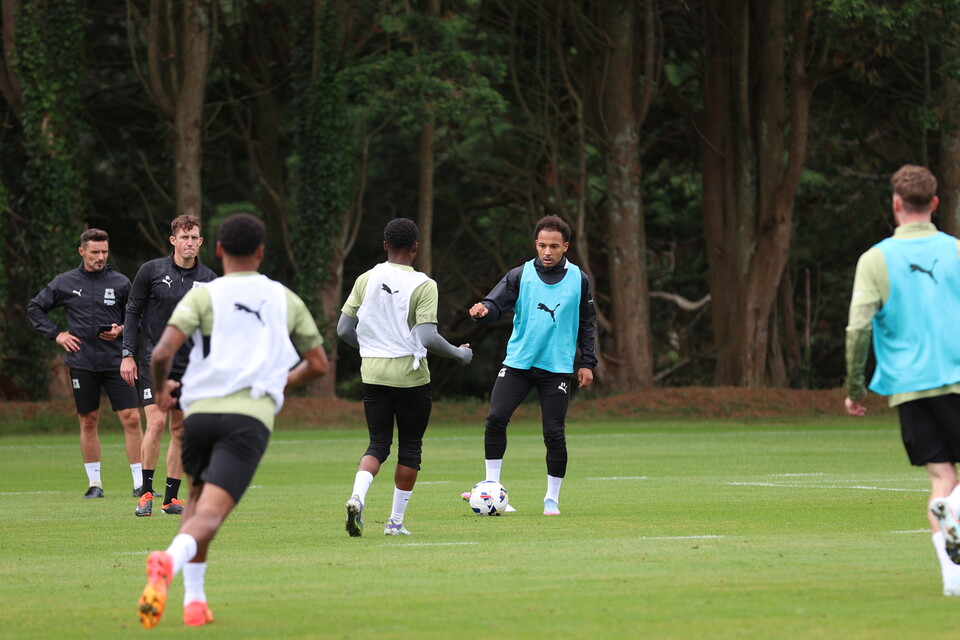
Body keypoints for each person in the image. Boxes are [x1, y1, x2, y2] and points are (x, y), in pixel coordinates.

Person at [136, 213, 328, 628]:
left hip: (200, 415)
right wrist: (281, 384)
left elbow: (160, 353)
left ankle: (195, 601)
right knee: (210, 516)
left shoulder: (203, 295)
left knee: (196, 505)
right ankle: (167, 562)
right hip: (246, 419)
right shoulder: (283, 297)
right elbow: (318, 363)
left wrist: (164, 388)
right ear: (260, 252)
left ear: (218, 250)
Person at [844, 164, 960, 597]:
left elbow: (857, 329)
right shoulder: (956, 252)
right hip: (957, 375)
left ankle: (953, 580)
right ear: (933, 204)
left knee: (941, 477)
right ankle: (953, 513)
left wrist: (855, 387)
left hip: (907, 384)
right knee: (953, 489)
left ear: (895, 204)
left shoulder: (874, 260)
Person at [338, 218, 473, 537]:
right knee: (410, 447)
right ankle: (395, 523)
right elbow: (427, 337)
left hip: (373, 373)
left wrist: (372, 348)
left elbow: (344, 330)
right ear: (416, 248)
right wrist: (459, 353)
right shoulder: (424, 285)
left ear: (385, 245)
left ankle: (357, 497)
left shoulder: (366, 278)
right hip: (410, 378)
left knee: (377, 444)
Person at [464, 214, 596, 515]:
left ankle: (552, 499)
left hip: (557, 367)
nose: (547, 252)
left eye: (553, 246)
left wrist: (587, 362)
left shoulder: (580, 279)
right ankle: (491, 490)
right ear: (535, 245)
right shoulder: (519, 275)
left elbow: (588, 322)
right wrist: (483, 309)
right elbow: (495, 303)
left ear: (565, 247)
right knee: (496, 417)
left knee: (553, 433)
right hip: (519, 363)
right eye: (541, 245)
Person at [27, 228, 143, 498]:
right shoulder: (65, 282)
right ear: (82, 252)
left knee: (132, 418)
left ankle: (140, 484)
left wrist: (121, 330)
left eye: (104, 252)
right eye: (95, 252)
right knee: (89, 420)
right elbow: (35, 307)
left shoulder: (121, 282)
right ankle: (95, 484)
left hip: (117, 361)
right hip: (82, 362)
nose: (100, 257)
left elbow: (137, 316)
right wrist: (58, 334)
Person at [121, 214, 217, 517]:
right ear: (173, 240)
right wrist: (127, 354)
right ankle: (146, 493)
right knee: (158, 422)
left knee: (181, 429)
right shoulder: (151, 271)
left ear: (201, 242)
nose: (189, 243)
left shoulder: (210, 279)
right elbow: (133, 312)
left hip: (190, 365)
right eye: (184, 237)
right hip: (155, 360)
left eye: (194, 238)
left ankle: (170, 499)